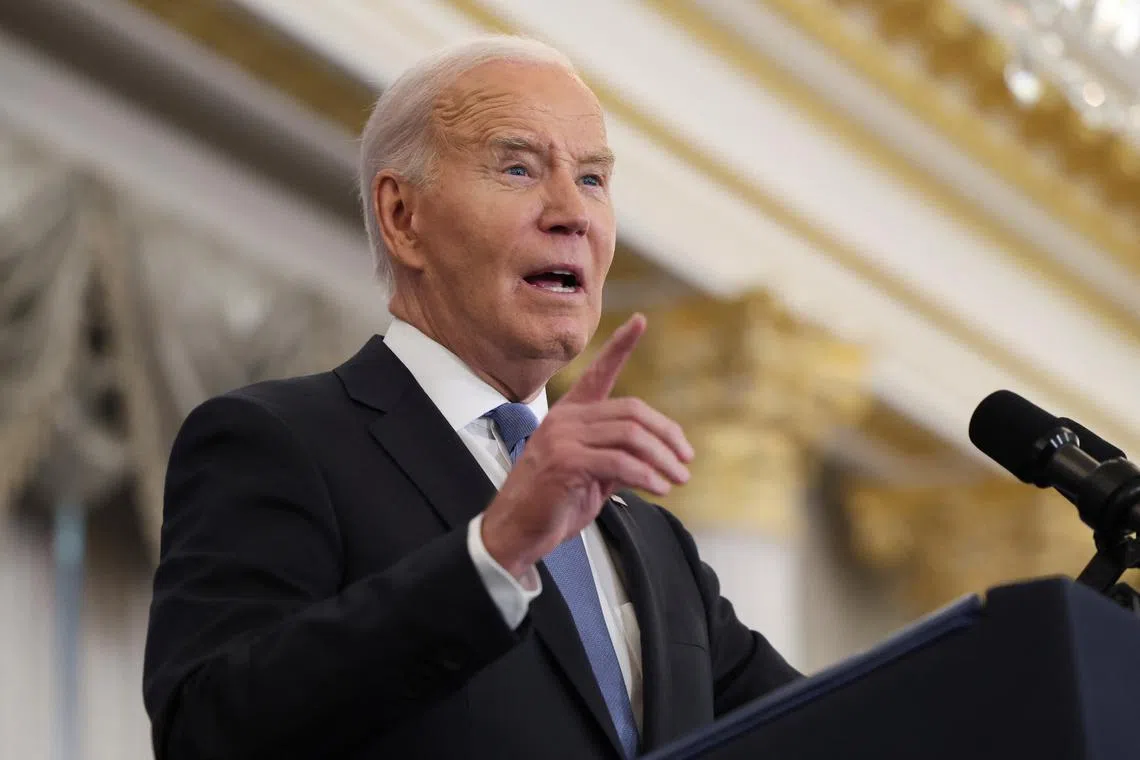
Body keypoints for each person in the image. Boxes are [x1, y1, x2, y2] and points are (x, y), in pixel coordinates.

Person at [142, 35, 800, 760]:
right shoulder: (280, 443)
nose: (571, 214)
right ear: (402, 217)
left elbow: (828, 726)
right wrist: (496, 550)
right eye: (519, 168)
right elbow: (208, 732)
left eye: (591, 179)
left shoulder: (653, 542)